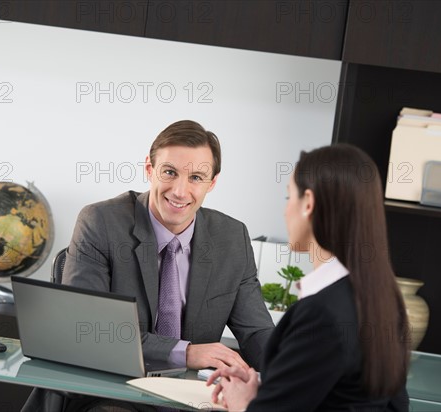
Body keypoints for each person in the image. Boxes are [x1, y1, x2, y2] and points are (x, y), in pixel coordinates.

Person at [208, 144, 410, 411]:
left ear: (309, 204)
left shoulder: (322, 313)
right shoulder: (383, 297)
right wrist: (269, 385)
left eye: (288, 198)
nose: (285, 211)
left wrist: (241, 403)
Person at [62, 120, 274, 372]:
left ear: (212, 183)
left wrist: (301, 373)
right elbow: (87, 327)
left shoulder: (232, 238)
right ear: (149, 169)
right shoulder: (102, 222)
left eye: (196, 177)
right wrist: (184, 353)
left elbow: (257, 332)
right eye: (170, 172)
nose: (180, 192)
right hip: (115, 388)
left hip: (194, 397)